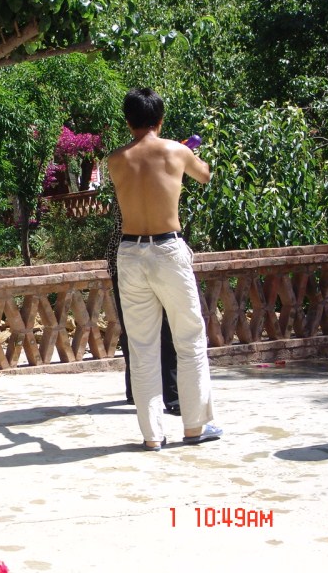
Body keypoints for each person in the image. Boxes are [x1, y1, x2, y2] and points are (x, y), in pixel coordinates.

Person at [107, 88, 223, 451]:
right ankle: (194, 427)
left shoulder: (114, 159)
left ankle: (152, 436)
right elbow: (205, 176)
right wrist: (190, 153)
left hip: (129, 252)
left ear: (128, 121)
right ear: (160, 119)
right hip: (167, 249)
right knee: (189, 340)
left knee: (142, 346)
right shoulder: (177, 150)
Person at [104, 199, 180, 415]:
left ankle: (164, 394)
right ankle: (164, 395)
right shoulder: (131, 184)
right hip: (133, 259)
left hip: (144, 257)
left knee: (158, 330)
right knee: (140, 330)